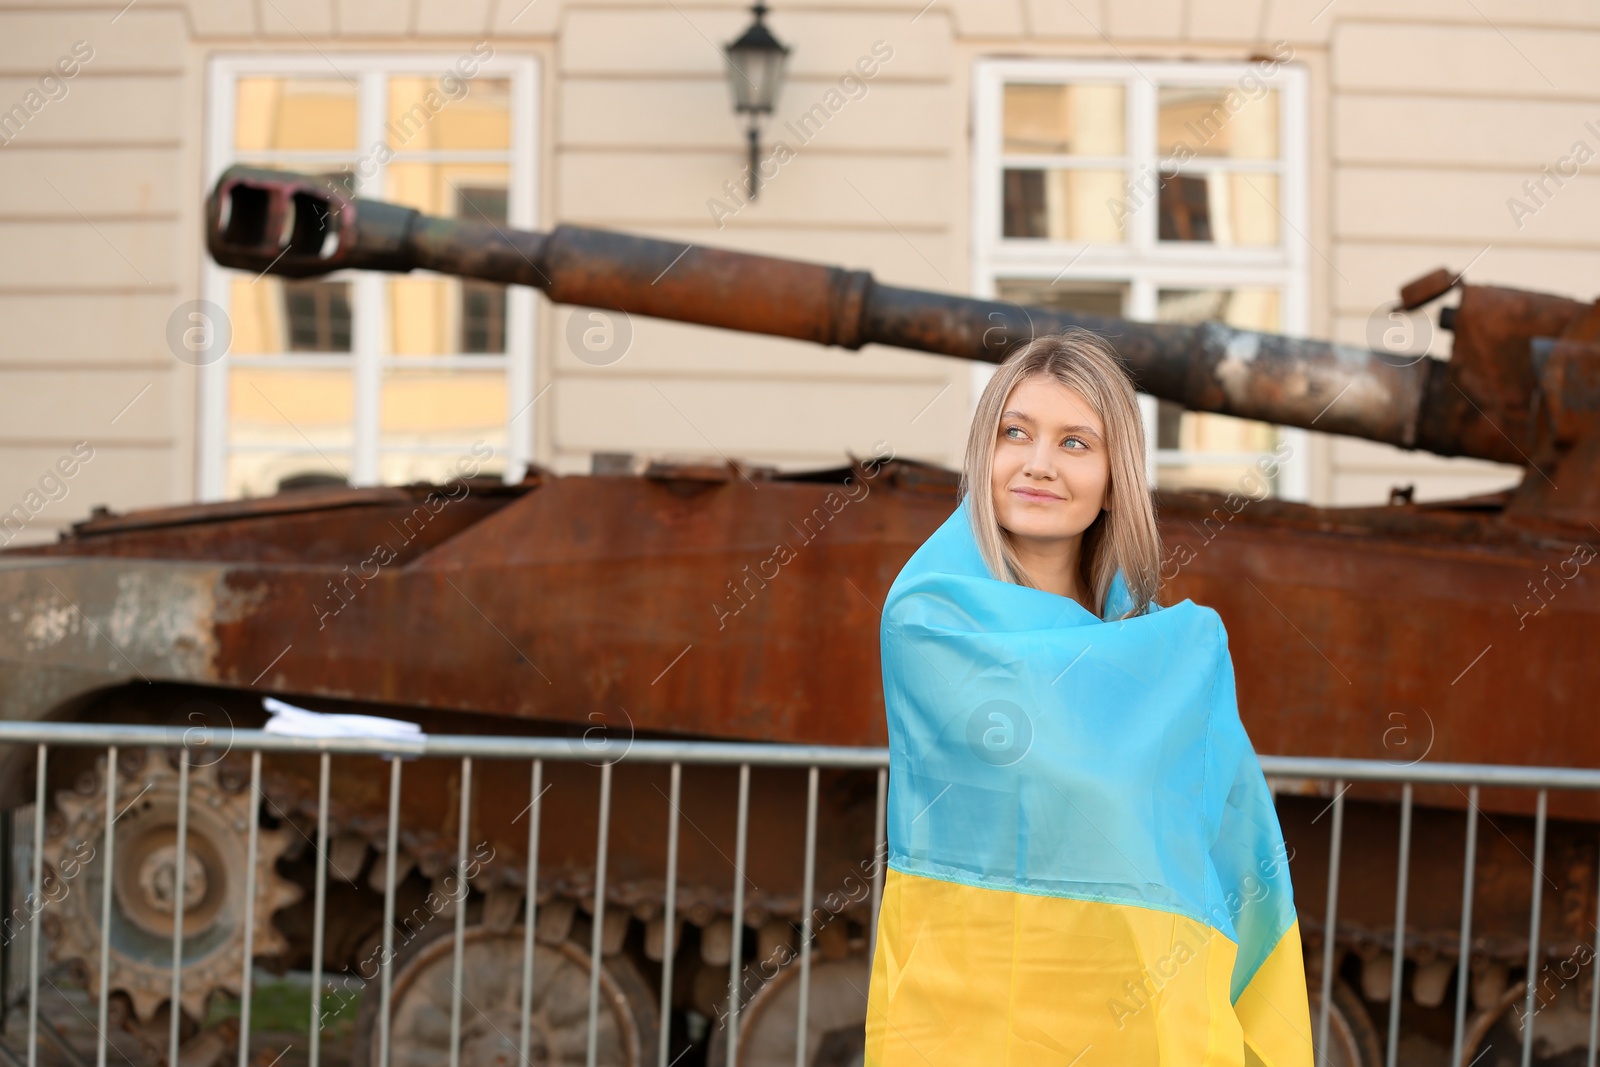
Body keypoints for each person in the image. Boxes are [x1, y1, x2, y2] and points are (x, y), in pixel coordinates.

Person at [863, 330, 1313, 1066]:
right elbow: (1064, 773)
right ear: (985, 453)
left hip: (1146, 1013)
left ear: (1114, 476)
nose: (1038, 464)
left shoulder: (1160, 646)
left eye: (1076, 443)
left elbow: (1227, 827)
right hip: (973, 1015)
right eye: (1016, 433)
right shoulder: (932, 618)